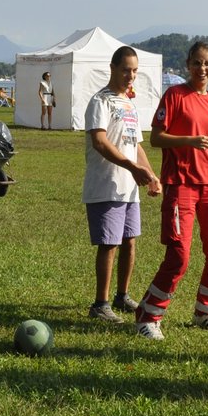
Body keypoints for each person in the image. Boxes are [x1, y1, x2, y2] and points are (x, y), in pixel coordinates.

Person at [135, 41, 208, 339]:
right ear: (187, 65)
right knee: (179, 256)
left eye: (207, 64)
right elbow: (156, 138)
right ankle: (148, 314)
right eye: (196, 63)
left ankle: (206, 311)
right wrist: (188, 140)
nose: (202, 69)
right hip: (182, 185)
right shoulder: (175, 95)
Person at [83, 46, 163, 323]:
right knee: (109, 243)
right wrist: (130, 167)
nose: (131, 75)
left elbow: (135, 145)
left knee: (129, 241)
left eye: (135, 71)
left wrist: (151, 175)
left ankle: (122, 295)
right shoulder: (100, 101)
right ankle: (100, 304)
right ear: (113, 68)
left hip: (129, 188)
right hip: (106, 184)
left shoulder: (129, 103)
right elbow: (100, 141)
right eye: (126, 69)